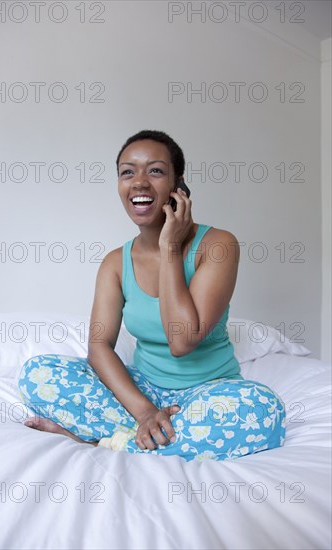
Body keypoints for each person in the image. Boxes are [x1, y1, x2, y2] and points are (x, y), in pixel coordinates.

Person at [18, 129, 286, 462]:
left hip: (209, 392)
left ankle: (104, 444)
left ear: (179, 187)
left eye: (155, 171)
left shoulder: (218, 245)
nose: (139, 182)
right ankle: (149, 436)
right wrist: (145, 411)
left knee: (263, 411)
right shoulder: (116, 263)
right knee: (38, 373)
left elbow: (182, 341)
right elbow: (99, 347)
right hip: (142, 392)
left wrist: (170, 248)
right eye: (127, 172)